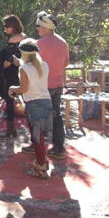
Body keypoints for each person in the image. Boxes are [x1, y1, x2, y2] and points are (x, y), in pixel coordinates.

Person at [27, 11, 70, 160]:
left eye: (38, 26)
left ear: (44, 27)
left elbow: (32, 64)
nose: (37, 29)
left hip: (43, 86)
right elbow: (66, 62)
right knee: (56, 116)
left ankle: (36, 145)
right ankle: (58, 147)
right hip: (57, 84)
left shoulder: (40, 43)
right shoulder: (62, 42)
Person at [9, 39, 53, 178]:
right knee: (40, 137)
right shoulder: (44, 65)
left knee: (37, 139)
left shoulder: (24, 69)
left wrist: (12, 89)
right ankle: (43, 161)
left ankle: (41, 167)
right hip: (46, 102)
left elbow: (24, 89)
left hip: (34, 104)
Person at [0, 15, 26, 138]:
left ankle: (11, 129)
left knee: (9, 100)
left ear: (13, 26)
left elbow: (7, 62)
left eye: (7, 26)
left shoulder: (13, 40)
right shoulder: (24, 37)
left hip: (11, 74)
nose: (5, 28)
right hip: (23, 71)